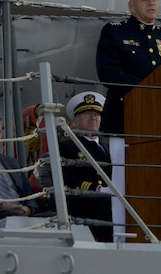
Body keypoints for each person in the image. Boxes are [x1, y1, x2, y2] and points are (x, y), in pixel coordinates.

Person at [95, 0, 161, 239]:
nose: (152, 4)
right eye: (145, 0)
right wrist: (147, 90)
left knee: (159, 183)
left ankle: (159, 234)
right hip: (125, 121)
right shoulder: (115, 32)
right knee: (123, 185)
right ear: (132, 5)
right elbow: (108, 72)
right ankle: (121, 237)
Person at [58, 91, 113, 242]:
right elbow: (68, 180)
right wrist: (97, 189)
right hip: (85, 204)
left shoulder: (108, 149)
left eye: (97, 114)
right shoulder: (68, 146)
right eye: (87, 113)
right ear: (75, 121)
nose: (93, 117)